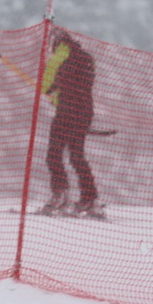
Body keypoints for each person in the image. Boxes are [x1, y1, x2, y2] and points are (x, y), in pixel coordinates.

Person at [38, 26, 102, 219]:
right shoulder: (87, 58)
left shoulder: (59, 55)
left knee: (54, 154)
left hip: (66, 112)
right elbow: (79, 84)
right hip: (84, 112)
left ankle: (60, 195)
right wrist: (59, 92)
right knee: (76, 156)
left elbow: (45, 85)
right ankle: (90, 199)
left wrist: (51, 90)